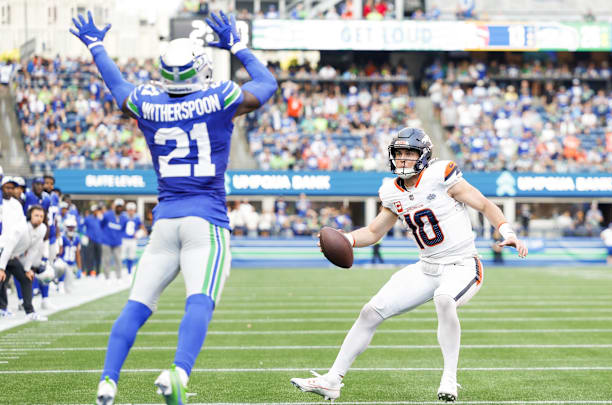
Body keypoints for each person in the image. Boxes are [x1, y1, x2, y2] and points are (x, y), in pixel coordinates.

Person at [70, 10, 277, 405]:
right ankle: (178, 372)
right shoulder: (220, 98)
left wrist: (96, 46)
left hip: (164, 220)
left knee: (137, 304)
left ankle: (107, 382)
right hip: (207, 218)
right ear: (198, 71)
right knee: (200, 298)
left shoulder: (146, 102)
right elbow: (267, 84)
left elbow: (117, 85)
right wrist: (236, 46)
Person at [290, 128, 528, 402]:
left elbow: (485, 205)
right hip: (426, 267)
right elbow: (374, 232)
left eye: (410, 153)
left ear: (424, 155)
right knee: (370, 312)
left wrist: (508, 232)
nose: (403, 159)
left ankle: (449, 379)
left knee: (444, 299)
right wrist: (346, 239)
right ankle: (332, 380)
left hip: (462, 264)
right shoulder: (391, 191)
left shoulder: (441, 175)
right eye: (399, 153)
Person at [0, 178, 45, 321]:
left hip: (12, 255)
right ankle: (2, 308)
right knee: (2, 280)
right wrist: (1, 267)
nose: (38, 219)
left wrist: (27, 269)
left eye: (41, 216)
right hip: (3, 251)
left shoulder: (42, 228)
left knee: (26, 279)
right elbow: (9, 245)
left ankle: (30, 312)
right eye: (36, 215)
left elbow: (33, 250)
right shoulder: (21, 229)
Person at [100, 199, 125, 281]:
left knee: (118, 259)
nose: (119, 208)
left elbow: (123, 229)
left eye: (121, 207)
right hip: (106, 241)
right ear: (115, 206)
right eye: (118, 206)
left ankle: (119, 276)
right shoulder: (107, 215)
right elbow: (102, 224)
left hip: (117, 241)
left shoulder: (124, 218)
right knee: (106, 259)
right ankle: (107, 276)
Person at [120, 202, 143, 275]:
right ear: (127, 210)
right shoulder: (123, 216)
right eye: (129, 210)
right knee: (122, 256)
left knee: (131, 256)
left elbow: (142, 227)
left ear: (134, 210)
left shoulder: (137, 217)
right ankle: (121, 271)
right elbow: (120, 227)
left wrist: (140, 233)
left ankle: (129, 271)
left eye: (132, 210)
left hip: (133, 240)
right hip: (124, 239)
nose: (131, 211)